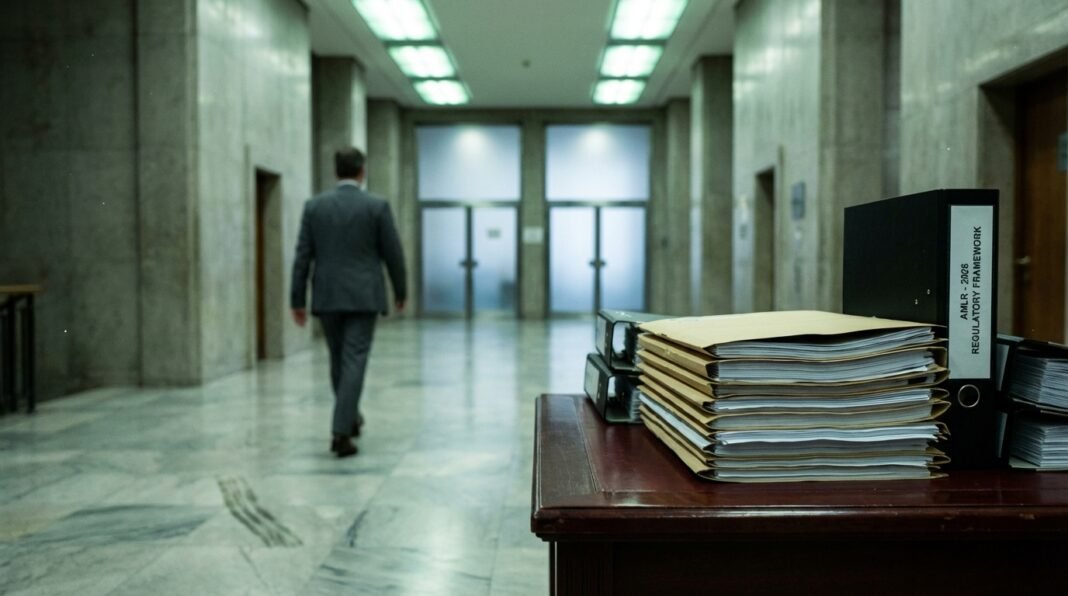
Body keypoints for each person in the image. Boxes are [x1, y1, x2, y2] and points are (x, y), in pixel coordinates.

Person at [290, 147, 407, 458]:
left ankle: (350, 415)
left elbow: (303, 256)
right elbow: (392, 252)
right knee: (354, 359)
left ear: (335, 171)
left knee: (338, 359)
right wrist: (401, 290)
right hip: (364, 296)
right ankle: (341, 432)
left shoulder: (315, 207)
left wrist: (297, 299)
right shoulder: (377, 206)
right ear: (361, 172)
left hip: (328, 296)